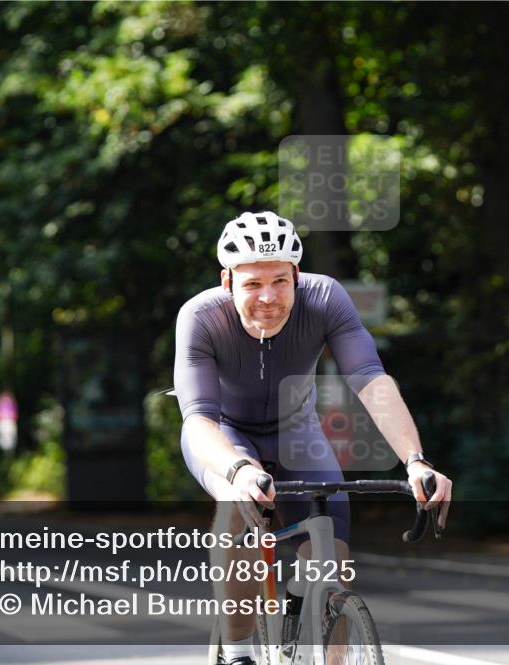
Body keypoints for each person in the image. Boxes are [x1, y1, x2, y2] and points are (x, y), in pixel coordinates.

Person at [174, 211, 453, 665]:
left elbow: (370, 379)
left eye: (280, 281)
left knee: (332, 559)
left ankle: (318, 634)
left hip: (295, 431)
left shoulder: (325, 298)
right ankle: (238, 651)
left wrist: (416, 460)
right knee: (237, 507)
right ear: (227, 282)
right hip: (224, 434)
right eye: (252, 284)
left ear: (297, 275)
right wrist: (240, 470)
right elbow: (198, 418)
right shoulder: (201, 317)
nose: (268, 297)